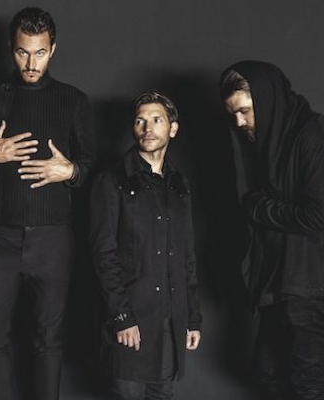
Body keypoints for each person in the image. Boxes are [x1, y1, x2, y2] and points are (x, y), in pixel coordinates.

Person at [0, 7, 95, 400]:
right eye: (22, 52)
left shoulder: (73, 100)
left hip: (53, 239)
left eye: (39, 53)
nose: (30, 63)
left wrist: (71, 171)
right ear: (11, 48)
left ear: (52, 49)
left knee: (48, 340)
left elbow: (92, 166)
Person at [220, 61, 324, 400]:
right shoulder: (270, 142)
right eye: (233, 114)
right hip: (280, 283)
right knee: (269, 375)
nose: (239, 123)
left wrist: (257, 207)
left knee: (308, 383)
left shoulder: (314, 136)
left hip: (313, 284)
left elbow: (320, 219)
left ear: (267, 101)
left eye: (245, 111)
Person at [89, 92, 202, 400]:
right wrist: (121, 317)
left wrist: (192, 317)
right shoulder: (111, 179)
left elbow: (186, 255)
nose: (147, 128)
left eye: (156, 120)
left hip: (170, 320)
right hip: (131, 320)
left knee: (162, 394)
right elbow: (103, 254)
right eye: (140, 121)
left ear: (173, 128)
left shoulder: (179, 184)